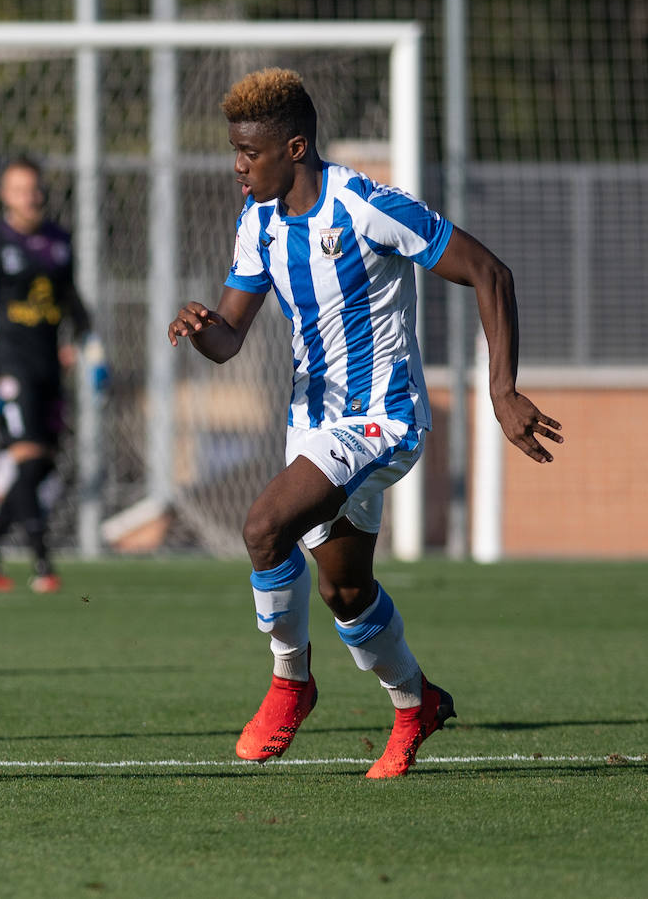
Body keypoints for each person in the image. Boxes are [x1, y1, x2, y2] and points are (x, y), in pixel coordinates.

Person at [168, 68, 563, 778]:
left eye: (248, 153)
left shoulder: (367, 206)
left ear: (293, 147)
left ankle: (291, 682)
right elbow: (229, 337)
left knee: (262, 527)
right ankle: (416, 703)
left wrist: (502, 391)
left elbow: (489, 272)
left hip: (383, 419)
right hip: (311, 426)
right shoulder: (257, 223)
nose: (236, 167)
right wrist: (202, 329)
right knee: (344, 591)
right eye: (232, 151)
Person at [0, 156, 93, 594]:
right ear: (5, 194)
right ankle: (42, 560)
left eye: (34, 188)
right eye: (19, 189)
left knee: (43, 462)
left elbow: (72, 300)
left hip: (48, 366)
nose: (30, 196)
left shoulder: (58, 240)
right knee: (24, 453)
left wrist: (89, 348)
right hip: (9, 363)